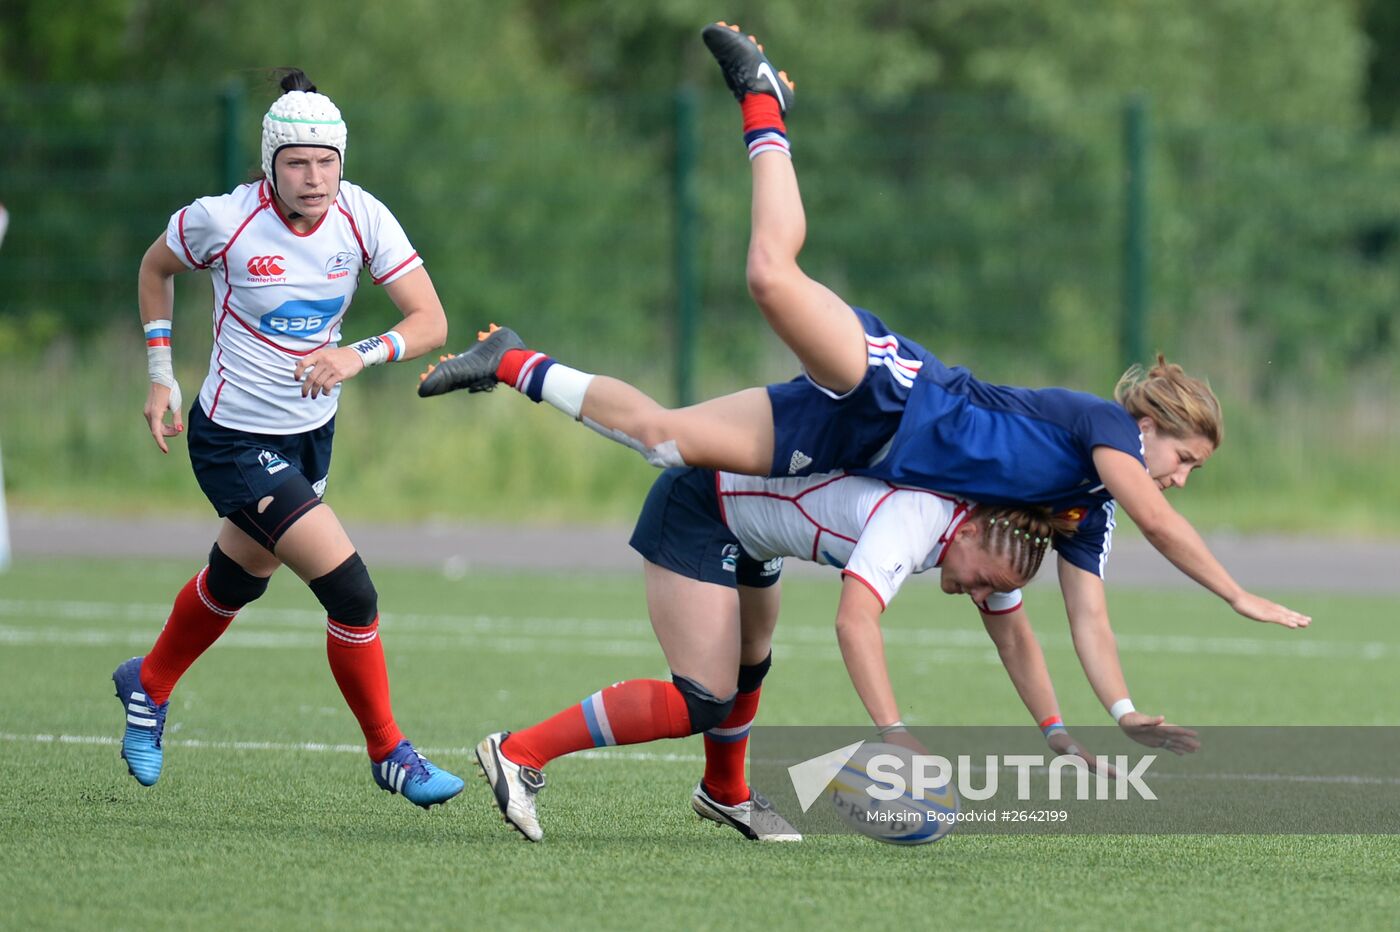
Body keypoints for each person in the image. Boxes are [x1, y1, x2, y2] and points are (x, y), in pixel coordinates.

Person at [420, 24, 1309, 675]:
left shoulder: (1088, 509)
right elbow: (1158, 522)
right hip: (899, 393)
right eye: (1184, 457)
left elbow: (1082, 619)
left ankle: (513, 362)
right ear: (1150, 423)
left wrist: (1109, 718)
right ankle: (766, 104)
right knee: (770, 275)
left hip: (859, 448)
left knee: (662, 440)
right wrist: (1235, 594)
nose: (1179, 477)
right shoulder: (1108, 434)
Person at [475, 465, 1198, 842]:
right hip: (703, 505)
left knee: (751, 664)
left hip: (756, 531)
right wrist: (895, 735)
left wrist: (1058, 736)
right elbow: (855, 625)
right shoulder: (915, 524)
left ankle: (724, 795)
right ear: (973, 535)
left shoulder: (978, 540)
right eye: (980, 580)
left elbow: (1012, 631)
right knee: (704, 695)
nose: (973, 593)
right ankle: (520, 751)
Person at [114, 69, 463, 807]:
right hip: (234, 439)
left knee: (237, 580)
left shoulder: (361, 216)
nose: (314, 178)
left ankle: (146, 684)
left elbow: (430, 320)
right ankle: (389, 752)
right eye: (298, 163)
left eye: (327, 161)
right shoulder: (223, 219)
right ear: (271, 164)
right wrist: (158, 374)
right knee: (350, 590)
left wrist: (355, 355)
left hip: (309, 437)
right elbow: (155, 267)